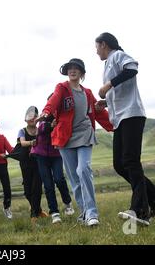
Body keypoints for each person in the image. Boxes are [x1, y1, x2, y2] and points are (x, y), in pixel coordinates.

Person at [95, 32, 155, 225]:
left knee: (130, 160)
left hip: (132, 115)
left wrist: (108, 84)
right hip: (120, 118)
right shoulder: (107, 63)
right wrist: (106, 102)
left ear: (104, 44)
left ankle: (140, 211)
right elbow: (121, 91)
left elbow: (132, 69)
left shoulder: (117, 55)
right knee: (120, 164)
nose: (96, 52)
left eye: (97, 47)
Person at [37, 58, 113, 226]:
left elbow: (98, 113)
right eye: (70, 68)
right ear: (67, 72)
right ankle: (84, 212)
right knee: (74, 178)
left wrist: (115, 125)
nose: (72, 70)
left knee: (83, 169)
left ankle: (92, 213)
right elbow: (54, 100)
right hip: (65, 137)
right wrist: (46, 111)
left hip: (84, 133)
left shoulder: (87, 92)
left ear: (82, 73)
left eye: (76, 68)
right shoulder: (62, 88)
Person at [31, 107, 74, 224]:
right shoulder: (43, 118)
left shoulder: (62, 116)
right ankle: (54, 213)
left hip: (56, 154)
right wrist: (51, 125)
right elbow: (40, 129)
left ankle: (67, 202)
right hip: (41, 156)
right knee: (48, 185)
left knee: (59, 179)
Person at [16, 106, 46, 222]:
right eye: (30, 117)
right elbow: (22, 143)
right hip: (25, 163)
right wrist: (32, 142)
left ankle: (34, 215)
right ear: (26, 119)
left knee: (36, 188)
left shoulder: (40, 130)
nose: (32, 119)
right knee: (27, 191)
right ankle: (38, 210)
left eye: (34, 116)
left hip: (39, 161)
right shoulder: (22, 131)